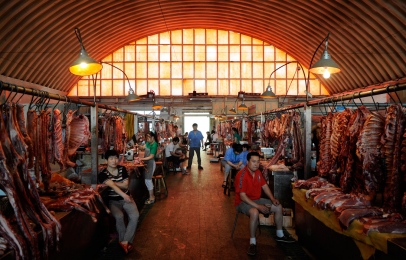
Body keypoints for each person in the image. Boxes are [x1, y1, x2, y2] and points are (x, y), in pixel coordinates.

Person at [234, 152, 295, 256]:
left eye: (258, 162)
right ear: (247, 162)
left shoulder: (258, 172)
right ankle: (252, 243)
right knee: (254, 212)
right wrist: (258, 207)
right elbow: (242, 196)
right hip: (242, 202)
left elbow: (265, 186)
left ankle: (279, 235)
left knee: (278, 206)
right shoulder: (241, 175)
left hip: (257, 199)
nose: (256, 164)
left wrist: (272, 199)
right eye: (253, 162)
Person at [98, 149, 139, 254]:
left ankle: (125, 241)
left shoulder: (122, 168)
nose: (114, 161)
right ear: (106, 160)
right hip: (113, 201)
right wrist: (123, 193)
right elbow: (115, 185)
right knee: (119, 216)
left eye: (116, 158)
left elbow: (125, 185)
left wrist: (112, 183)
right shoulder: (102, 174)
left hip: (127, 198)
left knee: (135, 216)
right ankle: (123, 242)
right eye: (111, 158)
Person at [140, 131, 158, 204]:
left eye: (148, 137)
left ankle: (152, 197)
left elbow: (151, 156)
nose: (147, 139)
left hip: (151, 163)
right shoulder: (148, 143)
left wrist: (141, 159)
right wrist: (138, 146)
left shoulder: (154, 144)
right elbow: (143, 147)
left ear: (153, 138)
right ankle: (151, 196)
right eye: (146, 137)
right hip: (147, 163)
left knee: (148, 180)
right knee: (147, 180)